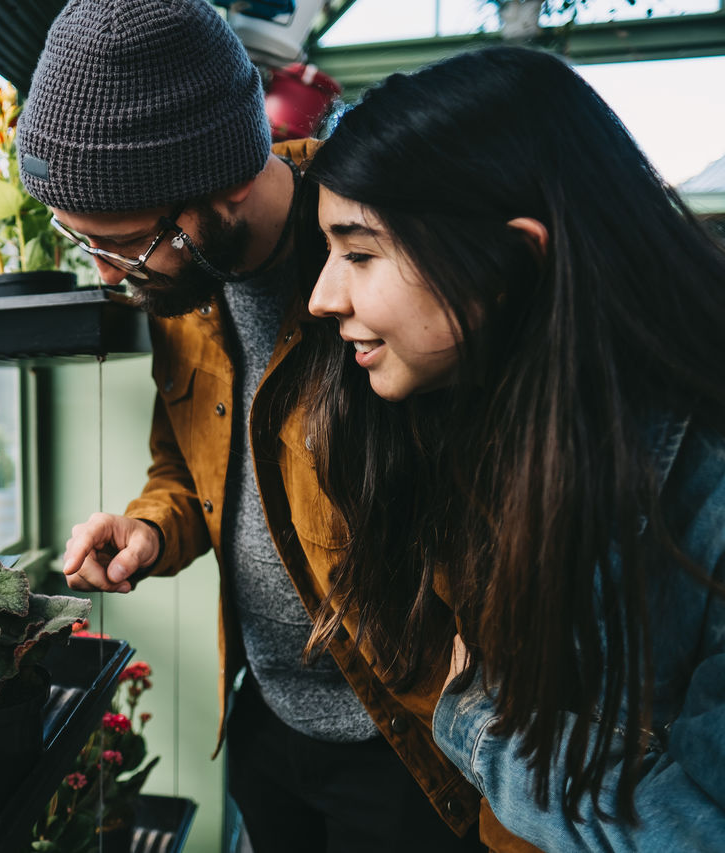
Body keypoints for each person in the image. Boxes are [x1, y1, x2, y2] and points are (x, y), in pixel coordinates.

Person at [16, 1, 486, 850]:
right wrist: (151, 530)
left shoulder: (382, 265)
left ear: (226, 183)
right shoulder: (179, 285)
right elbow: (188, 468)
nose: (107, 276)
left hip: (405, 748)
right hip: (268, 718)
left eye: (119, 245)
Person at [301, 44, 725, 852]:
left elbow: (700, 826)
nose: (323, 296)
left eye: (359, 253)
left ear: (514, 259)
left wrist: (475, 718)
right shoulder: (476, 402)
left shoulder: (706, 485)